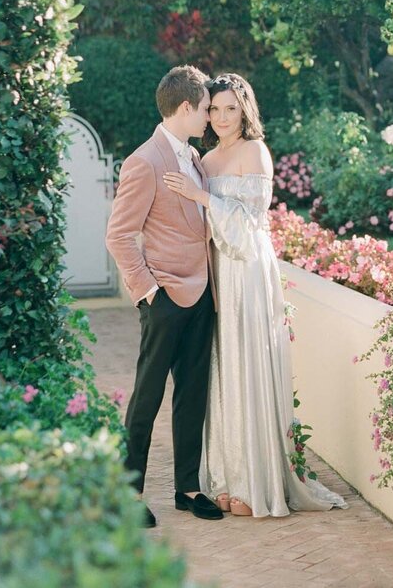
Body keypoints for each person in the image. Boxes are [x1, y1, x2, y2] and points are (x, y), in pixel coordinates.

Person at [163, 72, 346, 518]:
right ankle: (227, 478)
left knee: (249, 364)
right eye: (216, 109)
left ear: (245, 110)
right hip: (218, 274)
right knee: (225, 369)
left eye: (231, 108)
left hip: (247, 269)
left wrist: (201, 198)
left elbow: (248, 227)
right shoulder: (204, 158)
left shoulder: (254, 152)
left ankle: (256, 481)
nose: (223, 117)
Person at [104, 64, 224, 527]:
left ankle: (187, 489)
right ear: (186, 107)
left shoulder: (193, 158)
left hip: (202, 297)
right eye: (206, 110)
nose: (210, 119)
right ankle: (129, 493)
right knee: (147, 397)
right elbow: (119, 236)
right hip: (165, 299)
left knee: (192, 394)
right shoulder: (144, 161)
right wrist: (148, 292)